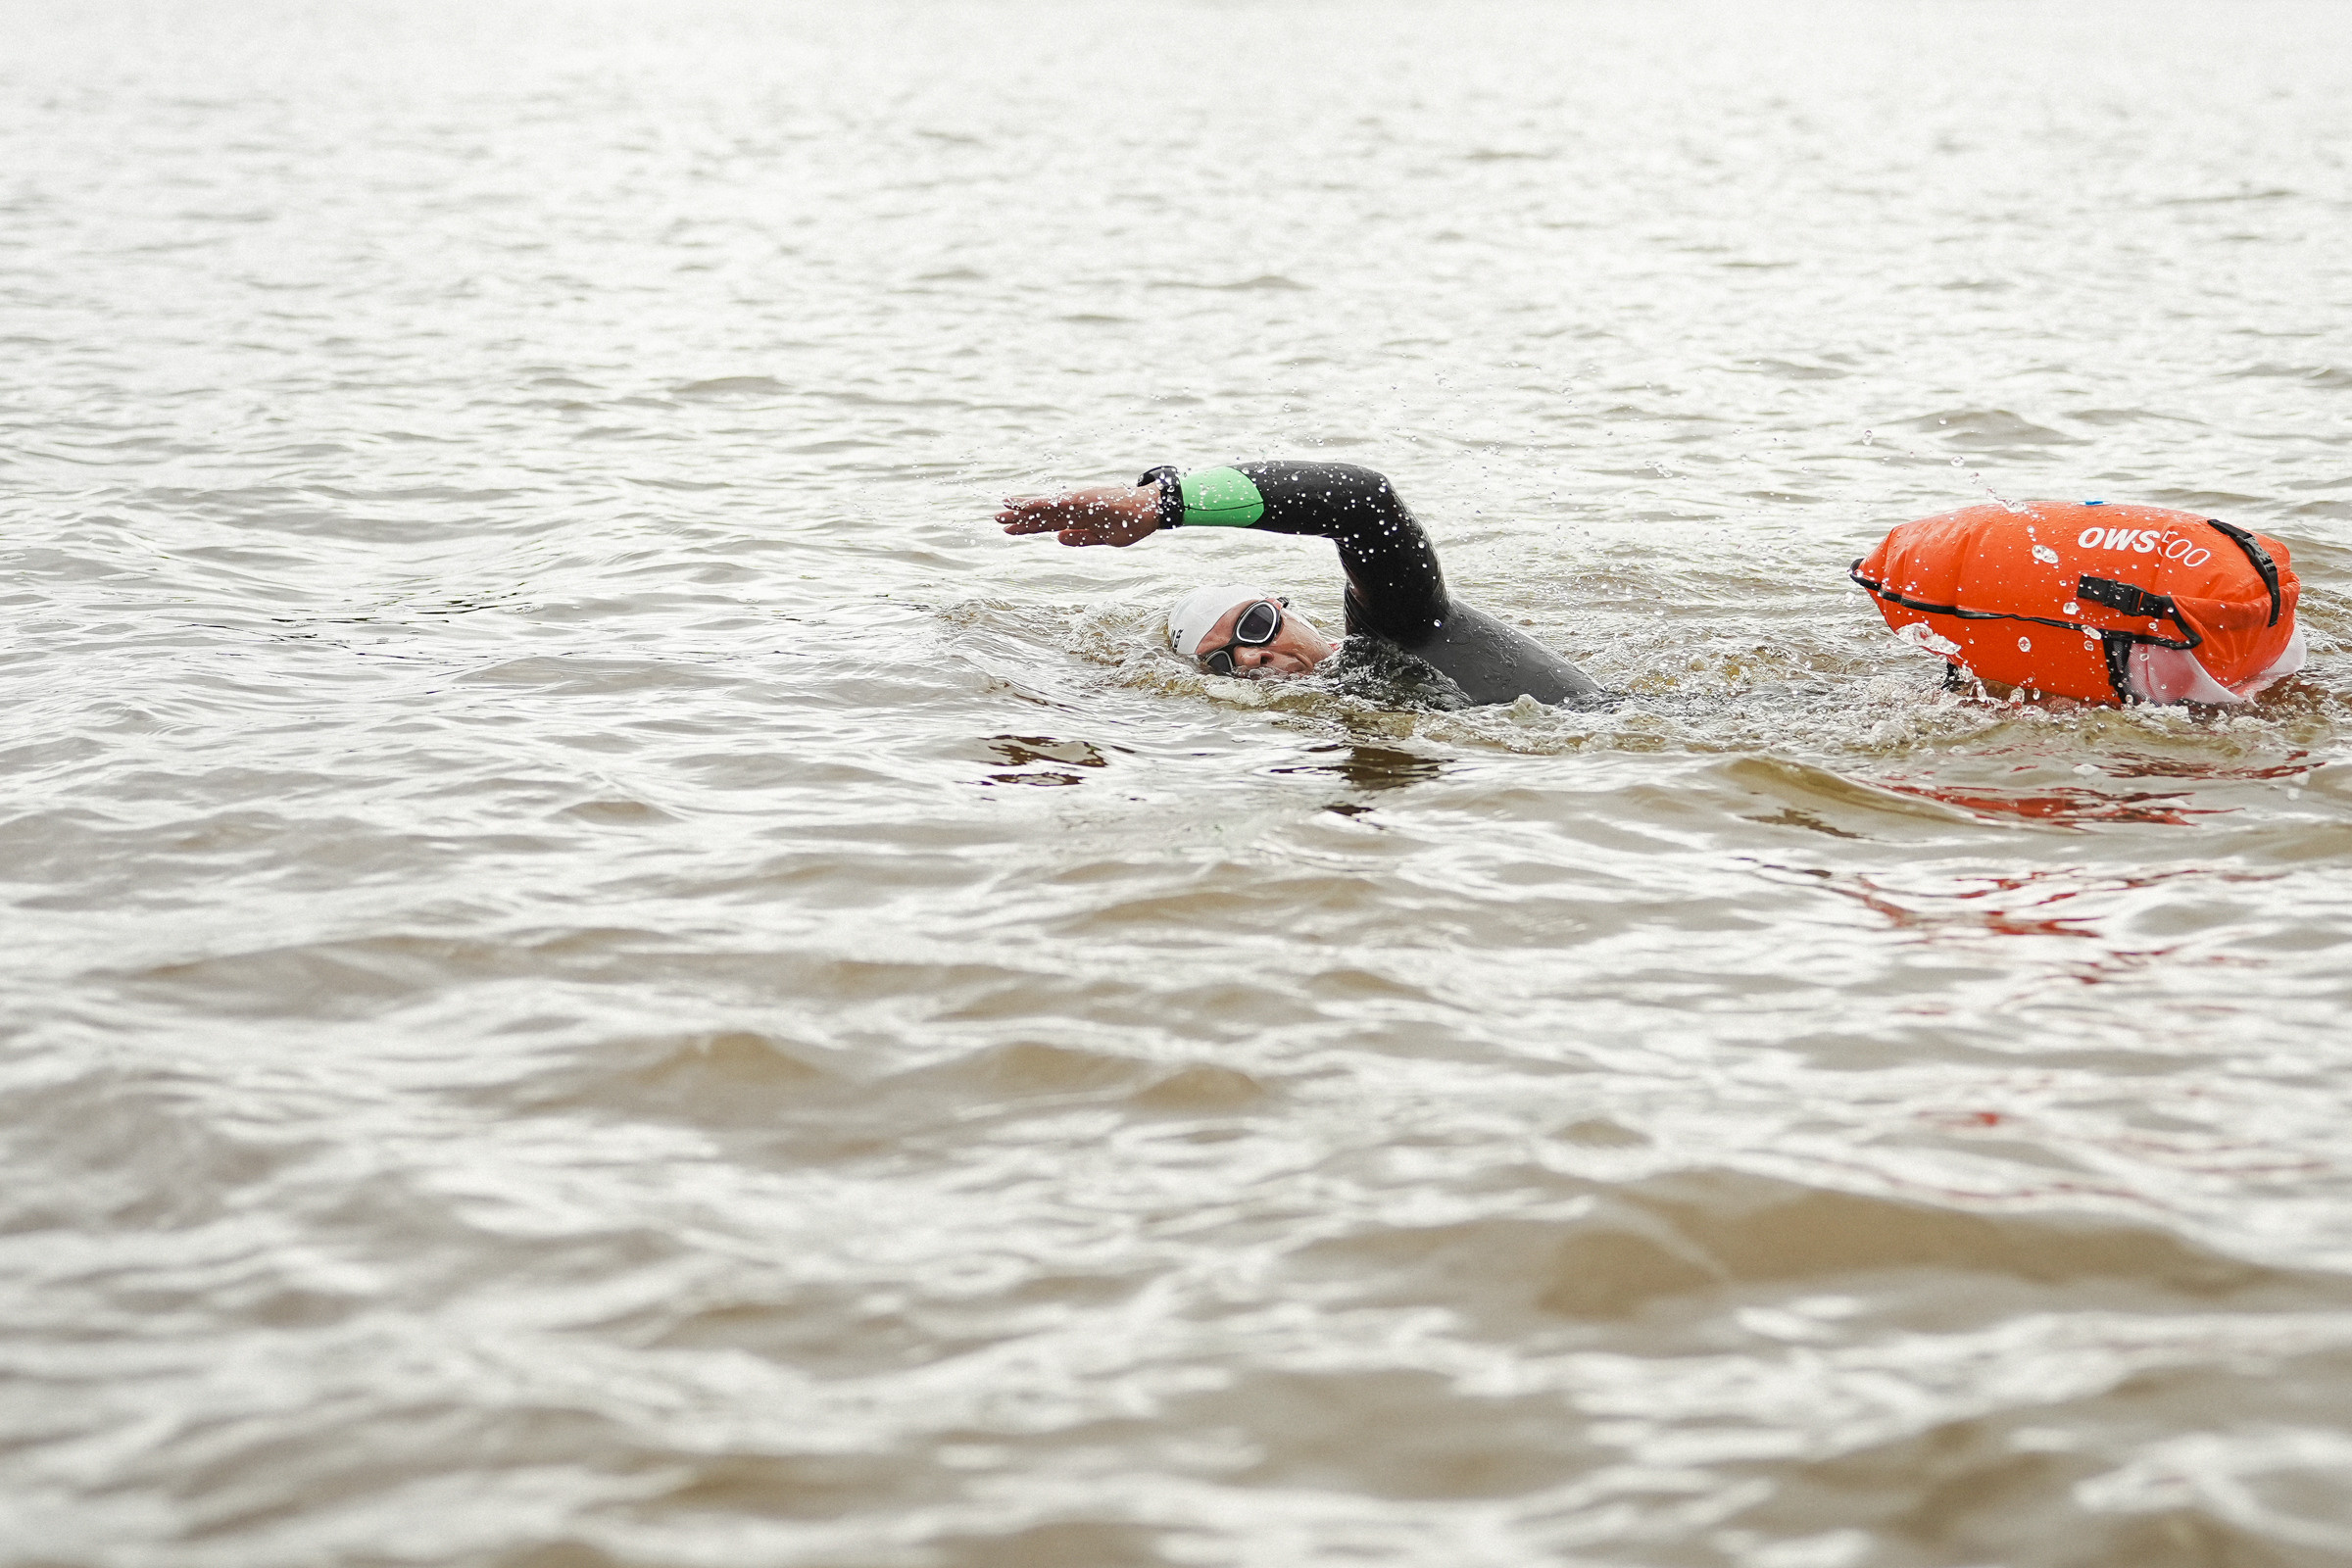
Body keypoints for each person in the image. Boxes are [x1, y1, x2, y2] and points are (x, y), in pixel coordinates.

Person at [996, 461, 1605, 708]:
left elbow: (1364, 502)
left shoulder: (1399, 628)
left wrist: (1166, 502)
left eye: (1255, 625)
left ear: (1286, 608)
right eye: (1224, 665)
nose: (1255, 655)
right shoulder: (1329, 711)